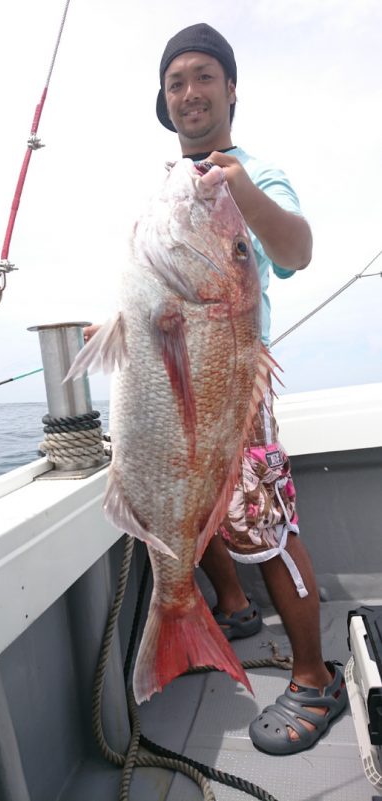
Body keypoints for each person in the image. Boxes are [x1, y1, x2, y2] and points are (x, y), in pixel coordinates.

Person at [152, 22, 348, 756]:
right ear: (165, 103)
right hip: (175, 384)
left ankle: (313, 674)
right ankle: (232, 605)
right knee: (193, 503)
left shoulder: (255, 172)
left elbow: (295, 251)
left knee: (268, 524)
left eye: (204, 76)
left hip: (236, 376)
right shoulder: (165, 188)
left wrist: (240, 193)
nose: (191, 92)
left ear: (231, 90)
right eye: (177, 82)